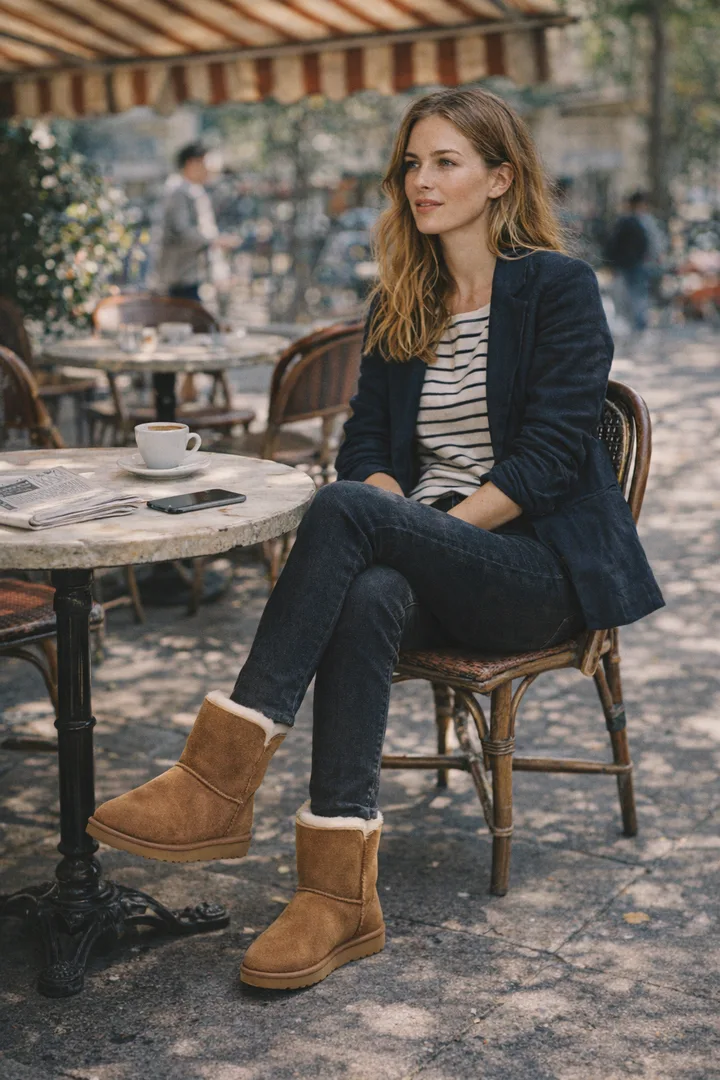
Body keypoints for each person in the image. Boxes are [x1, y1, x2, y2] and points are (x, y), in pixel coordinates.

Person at [87, 89, 664, 991]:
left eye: (445, 162)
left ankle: (218, 777)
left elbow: (551, 460)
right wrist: (394, 510)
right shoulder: (405, 296)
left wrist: (408, 523)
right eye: (411, 163)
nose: (419, 181)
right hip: (422, 558)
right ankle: (338, 895)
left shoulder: (558, 287)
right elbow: (365, 446)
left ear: (500, 179)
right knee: (367, 586)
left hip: (533, 570)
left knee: (348, 512)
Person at [154, 142, 236, 303]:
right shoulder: (178, 191)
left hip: (192, 275)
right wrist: (215, 241)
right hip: (180, 277)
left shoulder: (194, 190)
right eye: (206, 163)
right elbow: (182, 232)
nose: (210, 169)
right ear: (192, 163)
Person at [606, 191, 664, 332]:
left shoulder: (630, 221)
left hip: (633, 264)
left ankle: (636, 325)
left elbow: (613, 244)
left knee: (633, 295)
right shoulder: (639, 221)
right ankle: (637, 326)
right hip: (636, 264)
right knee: (635, 295)